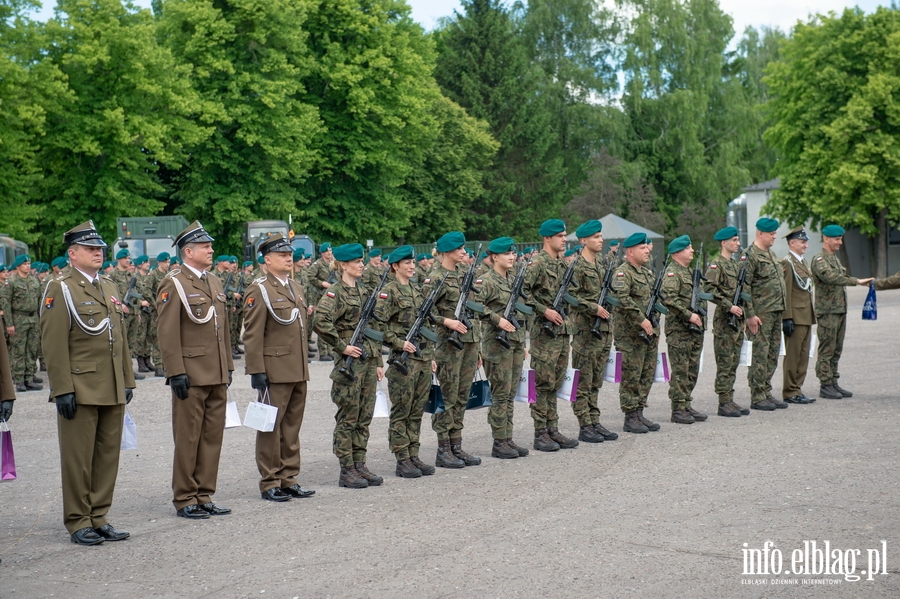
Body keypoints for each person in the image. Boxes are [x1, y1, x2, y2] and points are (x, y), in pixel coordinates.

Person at [40, 221, 136, 545]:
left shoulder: (109, 286)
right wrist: (61, 388)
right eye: (91, 249)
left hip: (110, 384)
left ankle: (99, 516)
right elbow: (53, 344)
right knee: (78, 458)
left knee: (108, 455)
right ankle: (78, 520)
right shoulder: (61, 288)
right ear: (72, 253)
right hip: (80, 386)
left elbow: (118, 336)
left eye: (100, 249)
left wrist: (127, 379)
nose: (98, 253)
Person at [157, 221, 234, 519]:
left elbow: (222, 329)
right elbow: (167, 331)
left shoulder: (213, 281)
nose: (211, 250)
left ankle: (204, 494)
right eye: (205, 246)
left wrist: (227, 366)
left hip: (215, 372)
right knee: (188, 437)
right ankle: (185, 496)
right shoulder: (174, 282)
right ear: (188, 251)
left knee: (212, 437)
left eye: (210, 246)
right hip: (190, 372)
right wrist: (175, 371)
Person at [242, 234, 314, 502]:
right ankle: (270, 480)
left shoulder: (296, 287)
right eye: (282, 255)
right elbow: (252, 333)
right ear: (267, 260)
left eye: (289, 254)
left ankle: (289, 477)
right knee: (270, 428)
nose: (288, 258)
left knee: (292, 427)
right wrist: (256, 370)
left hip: (297, 368)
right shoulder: (259, 290)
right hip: (274, 370)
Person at [313, 243, 385, 488]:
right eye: (356, 261)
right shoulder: (335, 292)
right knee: (348, 417)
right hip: (349, 366)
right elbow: (320, 321)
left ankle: (360, 463)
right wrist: (341, 346)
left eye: (361, 261)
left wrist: (377, 361)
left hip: (367, 363)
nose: (361, 264)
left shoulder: (363, 292)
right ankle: (346, 469)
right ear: (343, 264)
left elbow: (372, 331)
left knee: (364, 416)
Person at [420, 232, 483, 467]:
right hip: (447, 344)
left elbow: (471, 311)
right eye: (459, 248)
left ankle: (457, 445)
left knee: (461, 395)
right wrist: (446, 321)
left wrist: (476, 348)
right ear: (446, 251)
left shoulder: (464, 274)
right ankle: (443, 448)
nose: (463, 252)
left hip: (467, 343)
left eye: (464, 248)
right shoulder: (435, 277)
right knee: (447, 396)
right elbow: (424, 311)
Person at [374, 246, 438, 477]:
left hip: (421, 360)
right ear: (395, 266)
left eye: (413, 262)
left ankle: (413, 454)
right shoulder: (388, 292)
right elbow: (376, 325)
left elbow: (427, 326)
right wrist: (398, 343)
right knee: (402, 411)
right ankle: (402, 458)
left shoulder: (416, 290)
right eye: (407, 263)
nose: (412, 266)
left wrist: (430, 356)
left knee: (416, 410)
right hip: (403, 362)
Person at [523, 219, 580, 451]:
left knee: (555, 381)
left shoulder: (563, 265)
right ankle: (540, 433)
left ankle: (552, 429)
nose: (564, 239)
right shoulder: (537, 263)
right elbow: (521, 292)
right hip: (543, 334)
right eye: (560, 235)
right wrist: (543, 310)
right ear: (547, 238)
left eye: (565, 235)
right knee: (542, 383)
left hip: (561, 332)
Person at [477, 237, 531, 459]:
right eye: (507, 254)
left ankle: (508, 438)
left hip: (515, 342)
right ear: (494, 257)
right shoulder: (485, 281)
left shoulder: (512, 280)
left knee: (510, 394)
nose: (511, 257)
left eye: (513, 253)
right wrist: (496, 319)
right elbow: (475, 307)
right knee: (500, 394)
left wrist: (523, 344)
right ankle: (499, 442)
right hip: (497, 344)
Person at [569, 220, 619, 442]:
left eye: (601, 236)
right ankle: (584, 424)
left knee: (596, 380)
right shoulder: (576, 266)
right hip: (586, 332)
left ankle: (594, 420)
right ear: (583, 240)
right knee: (583, 381)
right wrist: (593, 308)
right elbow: (571, 297)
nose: (601, 240)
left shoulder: (601, 264)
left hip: (604, 331)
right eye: (596, 237)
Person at [811, 225, 873, 399]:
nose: (840, 242)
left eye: (840, 238)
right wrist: (856, 281)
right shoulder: (819, 259)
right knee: (827, 348)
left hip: (838, 310)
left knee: (837, 348)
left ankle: (833, 381)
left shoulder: (834, 258)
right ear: (826, 239)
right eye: (837, 239)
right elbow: (830, 278)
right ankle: (825, 385)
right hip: (828, 311)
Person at [611, 233, 661, 434]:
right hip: (630, 335)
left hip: (649, 333)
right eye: (642, 248)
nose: (647, 250)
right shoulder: (623, 273)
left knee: (646, 374)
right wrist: (641, 319)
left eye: (647, 247)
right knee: (631, 375)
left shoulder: (647, 274)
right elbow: (622, 299)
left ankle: (639, 412)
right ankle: (630, 416)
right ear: (630, 251)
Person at [660, 235, 708, 424]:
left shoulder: (689, 272)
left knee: (692, 369)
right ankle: (678, 408)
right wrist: (688, 315)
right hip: (680, 330)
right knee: (681, 370)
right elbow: (669, 299)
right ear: (677, 252)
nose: (692, 251)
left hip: (695, 329)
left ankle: (686, 403)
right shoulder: (673, 273)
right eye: (688, 248)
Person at [704, 226, 750, 417]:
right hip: (725, 321)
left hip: (737, 321)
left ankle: (729, 399)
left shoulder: (735, 265)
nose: (738, 243)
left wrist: (745, 316)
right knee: (725, 362)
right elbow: (709, 290)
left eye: (738, 240)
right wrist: (728, 306)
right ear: (724, 243)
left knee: (733, 362)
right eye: (734, 240)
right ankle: (723, 403)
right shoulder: (717, 265)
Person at [743, 218, 788, 411]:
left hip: (775, 311)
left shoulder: (770, 253)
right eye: (771, 234)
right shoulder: (750, 255)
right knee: (759, 355)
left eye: (775, 233)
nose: (774, 237)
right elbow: (744, 287)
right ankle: (757, 395)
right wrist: (750, 314)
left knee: (772, 354)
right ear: (760, 233)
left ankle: (766, 391)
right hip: (760, 314)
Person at [780, 227, 817, 405]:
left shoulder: (802, 261)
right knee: (793, 356)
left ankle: (797, 388)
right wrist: (787, 317)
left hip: (806, 315)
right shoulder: (788, 263)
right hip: (795, 315)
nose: (805, 245)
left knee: (803, 355)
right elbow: (786, 291)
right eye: (802, 242)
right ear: (792, 243)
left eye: (806, 242)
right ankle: (789, 391)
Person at [7, 255, 43, 392]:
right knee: (19, 350)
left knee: (32, 349)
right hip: (19, 319)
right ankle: (19, 379)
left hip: (33, 319)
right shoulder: (11, 282)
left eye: (29, 263)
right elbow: (6, 304)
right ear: (18, 266)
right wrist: (9, 324)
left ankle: (29, 377)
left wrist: (40, 319)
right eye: (25, 264)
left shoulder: (34, 282)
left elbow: (39, 301)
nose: (28, 266)